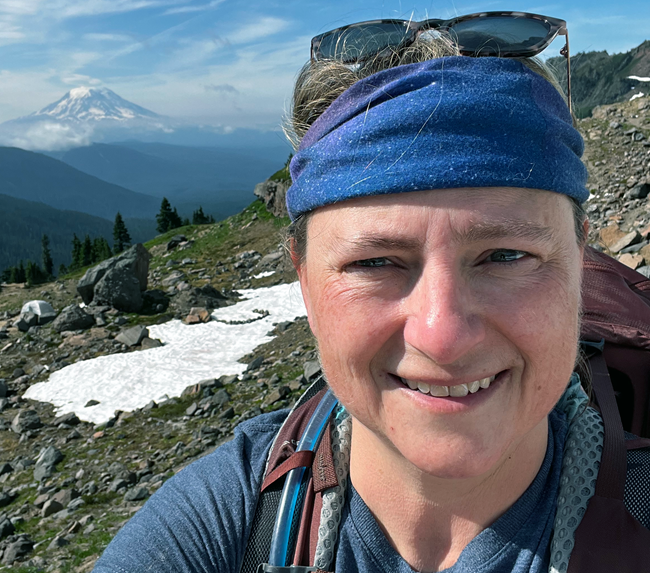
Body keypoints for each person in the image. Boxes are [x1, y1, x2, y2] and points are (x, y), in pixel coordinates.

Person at [93, 12, 649, 573]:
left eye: (506, 256)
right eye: (374, 262)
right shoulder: (218, 527)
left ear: (581, 261)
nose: (444, 335)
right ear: (305, 283)